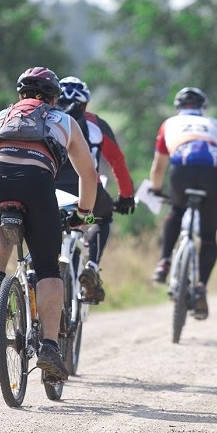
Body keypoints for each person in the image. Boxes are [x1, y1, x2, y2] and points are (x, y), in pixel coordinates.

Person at [0, 67, 97, 380]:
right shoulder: (64, 120)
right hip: (36, 182)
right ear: (55, 97)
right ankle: (48, 346)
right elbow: (89, 175)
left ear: (20, 95)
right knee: (47, 268)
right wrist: (84, 213)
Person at [149, 87, 217, 320]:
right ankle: (201, 288)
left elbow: (159, 166)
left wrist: (156, 190)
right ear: (202, 108)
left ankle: (164, 262)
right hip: (212, 174)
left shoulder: (169, 123)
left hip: (182, 170)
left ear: (179, 107)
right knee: (208, 236)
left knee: (176, 210)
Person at [55, 76, 136, 303]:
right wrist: (126, 196)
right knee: (102, 217)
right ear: (85, 104)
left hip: (49, 187)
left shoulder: (47, 120)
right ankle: (91, 264)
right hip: (87, 188)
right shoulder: (96, 124)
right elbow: (117, 162)